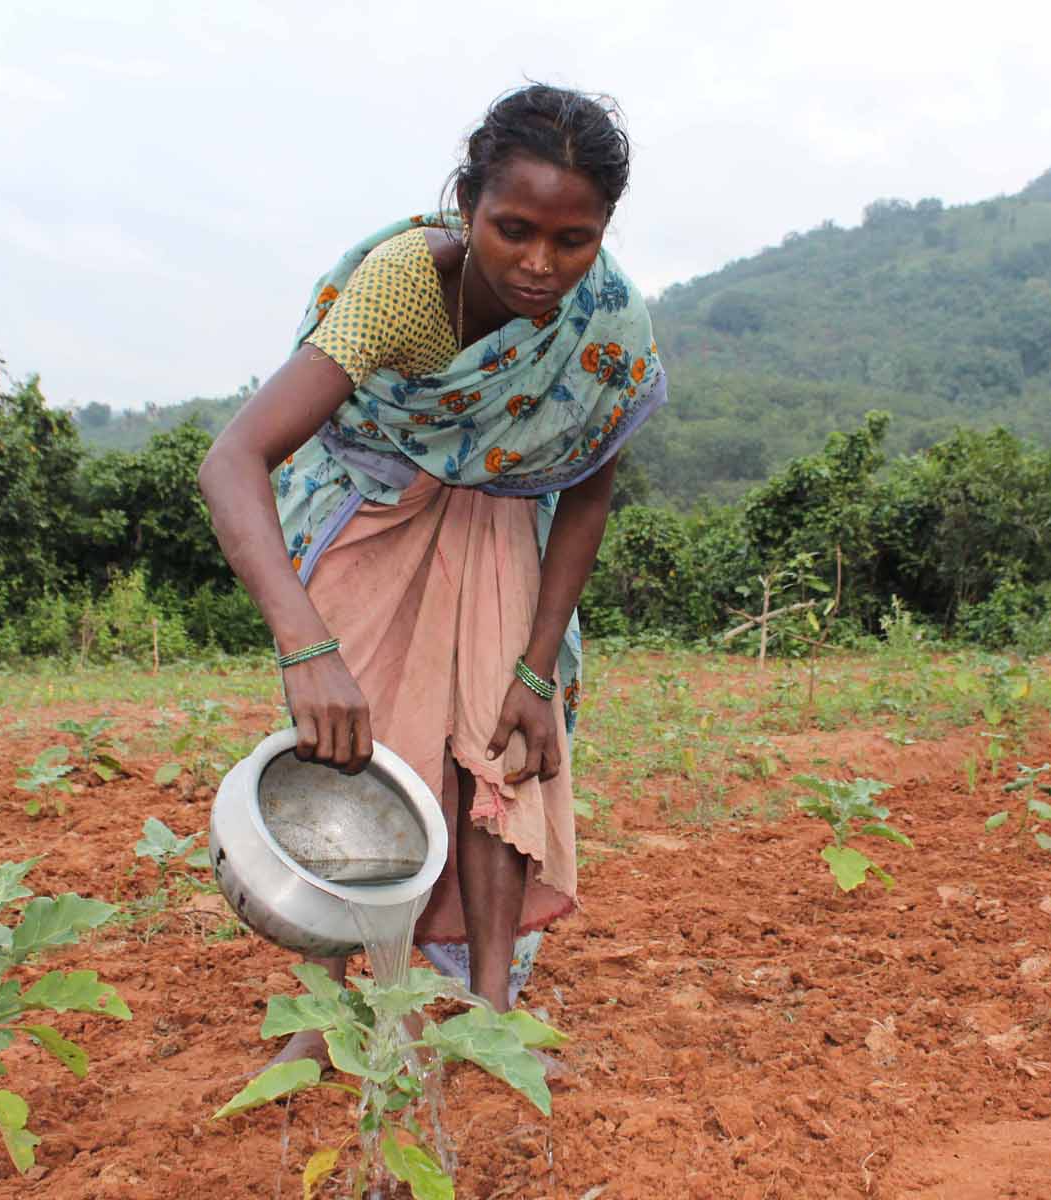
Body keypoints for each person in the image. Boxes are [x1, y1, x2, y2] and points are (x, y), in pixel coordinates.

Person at [197, 84, 664, 1064]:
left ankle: (491, 1014)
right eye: (514, 228)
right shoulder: (404, 285)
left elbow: (584, 492)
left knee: (499, 750)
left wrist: (539, 672)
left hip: (500, 520)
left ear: (604, 233)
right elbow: (233, 459)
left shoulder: (606, 325)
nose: (540, 263)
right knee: (348, 747)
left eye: (572, 240)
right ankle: (332, 1014)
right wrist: (306, 646)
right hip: (378, 504)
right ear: (467, 203)